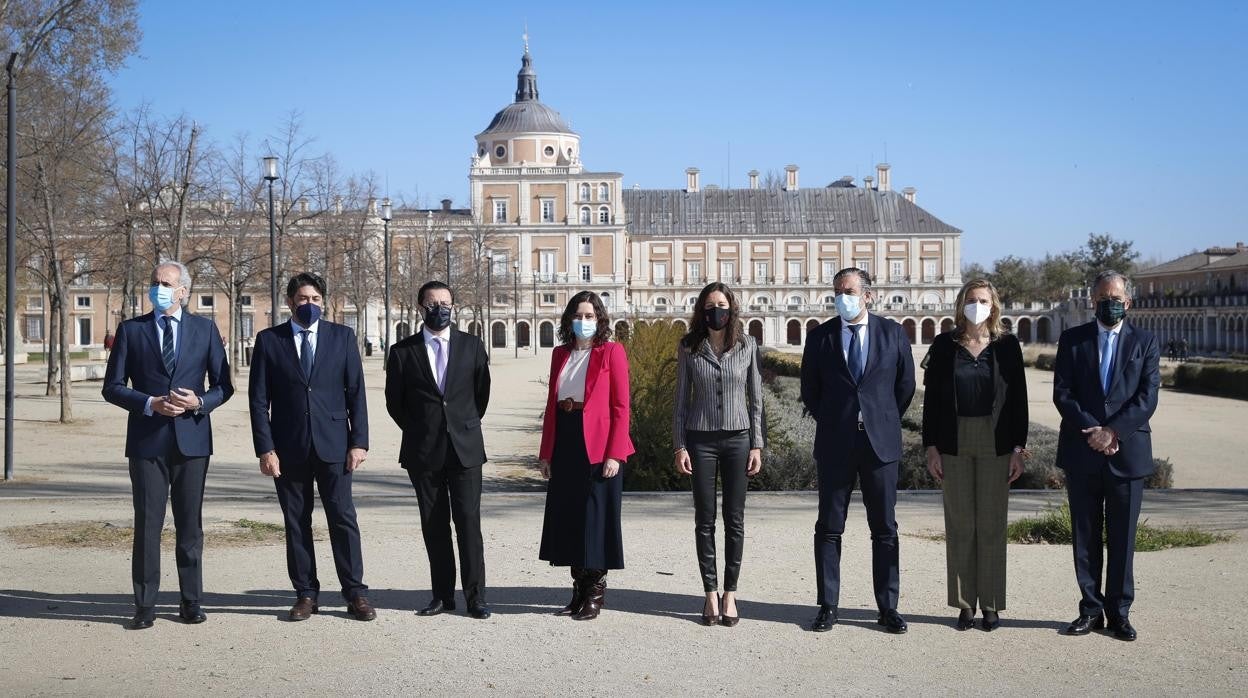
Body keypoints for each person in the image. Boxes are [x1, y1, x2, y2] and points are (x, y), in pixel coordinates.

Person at [102, 261, 234, 630]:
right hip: (147, 443)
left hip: (192, 441)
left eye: (166, 283)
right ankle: (145, 605)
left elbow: (224, 385)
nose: (158, 287)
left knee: (190, 527)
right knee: (148, 526)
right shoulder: (132, 330)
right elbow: (112, 386)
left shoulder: (205, 329)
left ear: (183, 291)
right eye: (155, 282)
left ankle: (191, 601)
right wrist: (148, 403)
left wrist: (199, 403)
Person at [248, 272, 375, 622]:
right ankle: (305, 593)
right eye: (303, 299)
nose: (310, 305)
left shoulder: (342, 337)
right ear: (289, 302)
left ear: (324, 302)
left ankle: (355, 593)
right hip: (288, 448)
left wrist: (359, 442)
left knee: (343, 518)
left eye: (316, 299)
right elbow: (259, 401)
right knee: (296, 522)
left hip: (335, 445)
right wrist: (265, 448)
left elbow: (356, 394)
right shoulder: (269, 340)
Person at [800, 267, 915, 634]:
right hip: (836, 443)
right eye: (836, 291)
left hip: (880, 445)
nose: (841, 297)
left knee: (884, 529)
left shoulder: (893, 333)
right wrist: (838, 420)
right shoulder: (820, 337)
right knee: (829, 528)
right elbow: (810, 391)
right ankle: (828, 606)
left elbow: (905, 386)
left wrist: (879, 419)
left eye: (848, 290)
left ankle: (888, 608)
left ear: (867, 295)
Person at [1053, 270, 1160, 642]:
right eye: (1102, 298)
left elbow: (1147, 397)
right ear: (1092, 301)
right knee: (1085, 536)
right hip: (1083, 451)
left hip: (1126, 451)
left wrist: (1113, 431)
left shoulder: (1145, 341)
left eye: (1116, 298)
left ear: (1128, 302)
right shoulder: (1072, 340)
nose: (1109, 303)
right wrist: (1094, 431)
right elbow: (1063, 393)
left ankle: (1119, 612)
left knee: (1122, 537)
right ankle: (1089, 610)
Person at [921, 279, 1028, 632]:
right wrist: (931, 446)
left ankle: (992, 604)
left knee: (993, 525)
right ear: (961, 304)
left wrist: (1018, 448)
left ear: (994, 305)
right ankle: (966, 604)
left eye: (983, 300)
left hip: (996, 440)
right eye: (971, 299)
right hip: (953, 438)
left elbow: (1018, 401)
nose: (977, 305)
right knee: (961, 523)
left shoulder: (1008, 346)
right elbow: (932, 401)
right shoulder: (944, 344)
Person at [385, 281, 493, 620]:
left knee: (468, 523)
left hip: (465, 449)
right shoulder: (403, 351)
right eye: (433, 303)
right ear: (420, 307)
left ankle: (476, 597)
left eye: (445, 302)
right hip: (423, 450)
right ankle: (442, 596)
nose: (440, 308)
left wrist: (460, 424)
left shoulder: (473, 346)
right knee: (434, 526)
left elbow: (481, 395)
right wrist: (423, 429)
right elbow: (395, 404)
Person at [538, 291, 634, 621]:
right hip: (565, 438)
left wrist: (615, 453)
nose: (584, 321)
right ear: (569, 320)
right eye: (578, 316)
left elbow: (622, 408)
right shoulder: (559, 354)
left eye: (590, 316)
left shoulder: (612, 352)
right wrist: (546, 452)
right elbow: (551, 407)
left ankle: (595, 591)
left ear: (600, 320)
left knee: (595, 519)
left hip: (599, 444)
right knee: (569, 517)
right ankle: (577, 590)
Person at [672, 282, 764, 626]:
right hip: (700, 440)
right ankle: (710, 594)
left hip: (739, 439)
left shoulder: (747, 345)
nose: (716, 311)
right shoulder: (689, 347)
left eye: (722, 305)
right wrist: (679, 444)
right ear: (701, 310)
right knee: (705, 519)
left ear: (731, 308)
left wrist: (757, 444)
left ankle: (731, 593)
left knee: (735, 520)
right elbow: (680, 400)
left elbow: (757, 400)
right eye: (710, 305)